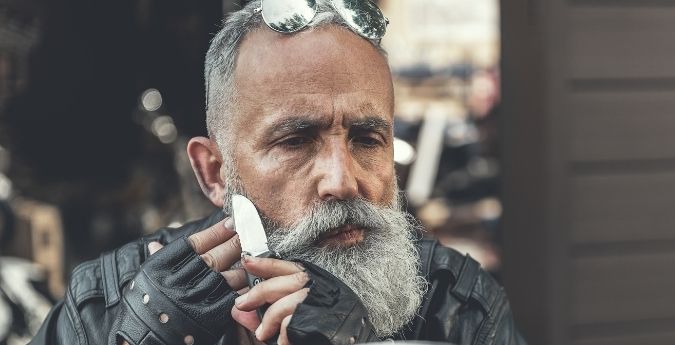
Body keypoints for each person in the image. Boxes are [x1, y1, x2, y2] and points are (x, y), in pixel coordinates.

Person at [30, 1, 526, 344]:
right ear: (214, 172)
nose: (341, 180)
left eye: (366, 138)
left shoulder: (459, 308)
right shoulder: (108, 306)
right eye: (296, 141)